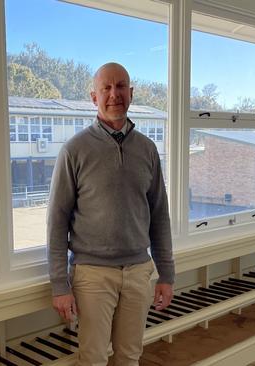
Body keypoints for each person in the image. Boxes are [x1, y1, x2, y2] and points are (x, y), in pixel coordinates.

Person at [47, 62, 175, 366]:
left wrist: (166, 273)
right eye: (106, 88)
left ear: (131, 93)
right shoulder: (74, 150)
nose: (114, 94)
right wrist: (58, 284)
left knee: (130, 356)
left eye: (121, 87)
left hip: (139, 271)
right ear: (94, 97)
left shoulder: (147, 149)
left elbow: (159, 215)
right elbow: (57, 220)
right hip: (92, 275)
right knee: (92, 359)